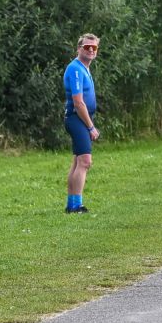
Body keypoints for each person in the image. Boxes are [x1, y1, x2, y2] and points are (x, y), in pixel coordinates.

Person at [63, 33, 101, 212]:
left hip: (80, 119)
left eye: (94, 47)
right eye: (87, 47)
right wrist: (90, 127)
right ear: (79, 49)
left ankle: (72, 204)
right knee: (85, 161)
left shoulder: (84, 67)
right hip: (76, 118)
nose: (91, 50)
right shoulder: (76, 69)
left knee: (78, 161)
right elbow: (78, 103)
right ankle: (77, 205)